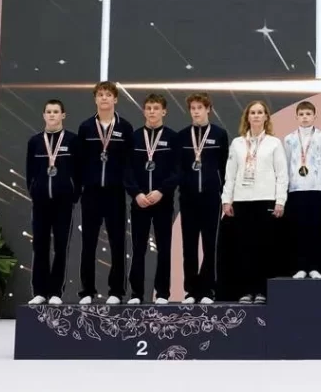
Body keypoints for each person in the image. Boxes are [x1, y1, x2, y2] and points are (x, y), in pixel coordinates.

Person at [222, 100, 288, 303]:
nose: (257, 116)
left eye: (260, 112)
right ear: (247, 117)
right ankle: (246, 290)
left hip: (265, 199)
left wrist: (280, 201)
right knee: (244, 247)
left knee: (264, 247)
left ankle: (261, 291)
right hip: (242, 200)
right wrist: (226, 200)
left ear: (266, 117)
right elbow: (230, 174)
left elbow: (282, 174)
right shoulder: (237, 143)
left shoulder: (274, 143)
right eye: (253, 112)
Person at [77, 81, 134, 305]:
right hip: (91, 193)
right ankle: (87, 291)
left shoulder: (125, 127)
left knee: (118, 243)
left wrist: (125, 185)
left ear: (115, 99)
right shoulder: (85, 127)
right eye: (100, 94)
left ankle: (116, 292)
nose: (104, 98)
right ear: (95, 99)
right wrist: (81, 187)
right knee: (88, 243)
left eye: (108, 95)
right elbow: (79, 161)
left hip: (115, 194)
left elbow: (129, 162)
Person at [25, 99, 81, 305]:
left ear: (63, 115)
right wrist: (34, 191)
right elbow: (29, 172)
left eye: (56, 111)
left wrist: (73, 194)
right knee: (40, 246)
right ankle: (39, 291)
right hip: (41, 202)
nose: (52, 115)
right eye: (48, 111)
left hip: (63, 203)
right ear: (43, 115)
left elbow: (78, 172)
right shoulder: (35, 142)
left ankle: (56, 291)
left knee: (60, 246)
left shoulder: (73, 141)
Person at [125, 94, 178, 304]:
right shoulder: (134, 137)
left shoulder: (173, 138)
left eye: (156, 108)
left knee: (164, 248)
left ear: (164, 111)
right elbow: (127, 170)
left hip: (163, 202)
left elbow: (177, 170)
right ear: (144, 111)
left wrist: (161, 191)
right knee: (138, 249)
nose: (152, 111)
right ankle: (136, 294)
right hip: (139, 202)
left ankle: (163, 293)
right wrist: (136, 193)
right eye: (148, 108)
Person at [177, 93, 230, 304]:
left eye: (200, 107)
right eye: (193, 108)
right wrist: (183, 186)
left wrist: (225, 195)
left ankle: (208, 290)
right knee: (189, 246)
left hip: (211, 198)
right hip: (188, 199)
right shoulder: (182, 136)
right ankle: (191, 291)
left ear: (208, 109)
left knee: (210, 245)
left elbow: (224, 168)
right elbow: (178, 168)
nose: (196, 111)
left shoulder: (219, 134)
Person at [283, 101, 321, 279]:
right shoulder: (289, 139)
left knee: (316, 229)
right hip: (296, 190)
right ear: (296, 117)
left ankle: (315, 267)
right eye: (301, 114)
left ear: (315, 116)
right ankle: (301, 267)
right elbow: (287, 164)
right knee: (299, 230)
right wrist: (289, 185)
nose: (305, 117)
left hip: (317, 189)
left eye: (308, 114)